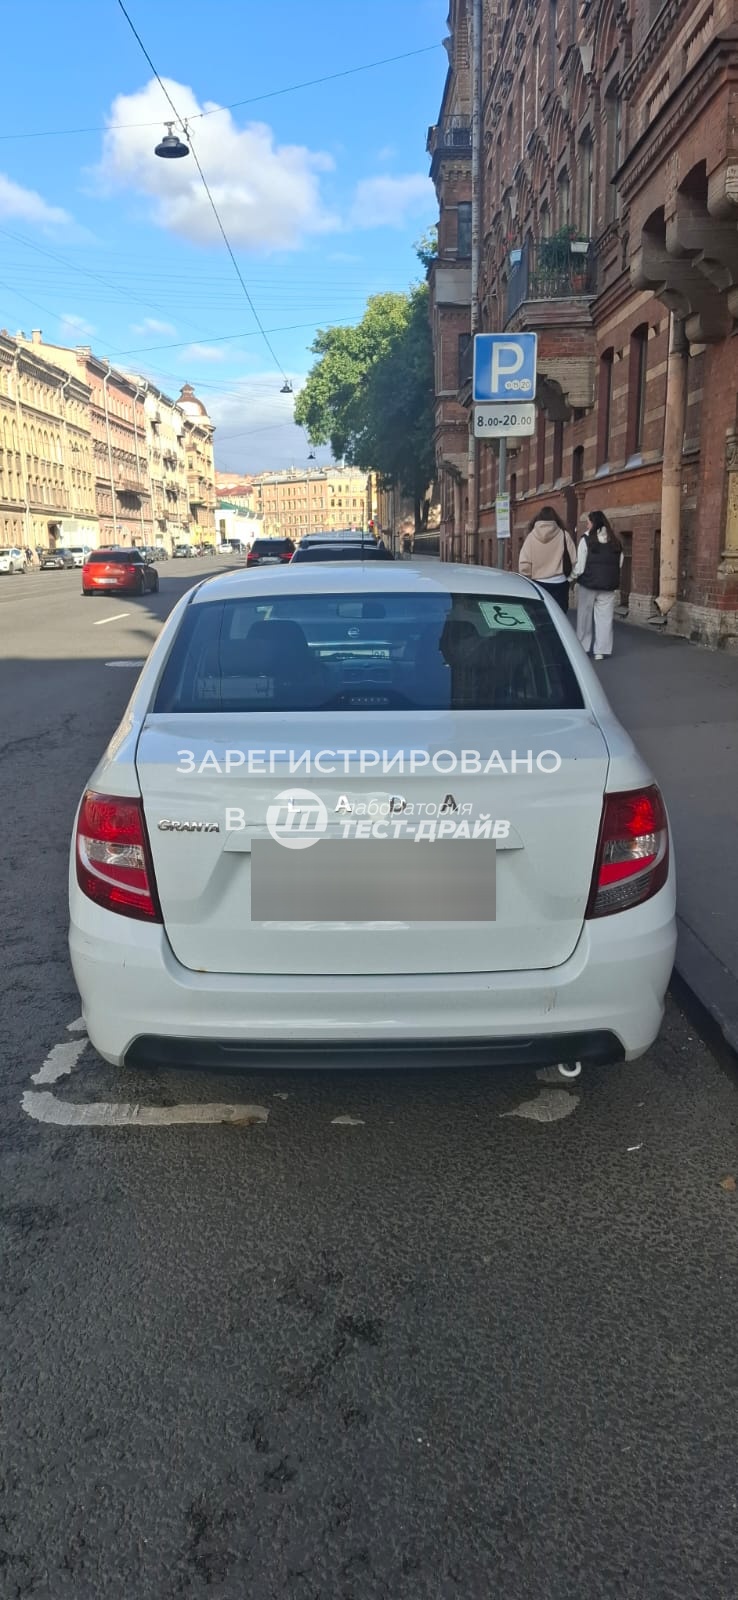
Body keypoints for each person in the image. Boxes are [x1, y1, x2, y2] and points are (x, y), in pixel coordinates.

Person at [572, 509, 623, 660]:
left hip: (588, 583)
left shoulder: (586, 540)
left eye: (588, 523)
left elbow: (580, 567)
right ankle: (601, 650)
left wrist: (570, 577)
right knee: (605, 618)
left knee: (584, 618)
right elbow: (620, 563)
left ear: (593, 523)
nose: (587, 526)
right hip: (608, 585)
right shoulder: (615, 541)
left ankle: (583, 647)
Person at [517, 505, 577, 612]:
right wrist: (570, 578)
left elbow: (524, 565)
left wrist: (529, 578)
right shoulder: (564, 535)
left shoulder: (531, 537)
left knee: (540, 615)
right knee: (559, 615)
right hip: (560, 583)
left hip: (538, 583)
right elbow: (574, 560)